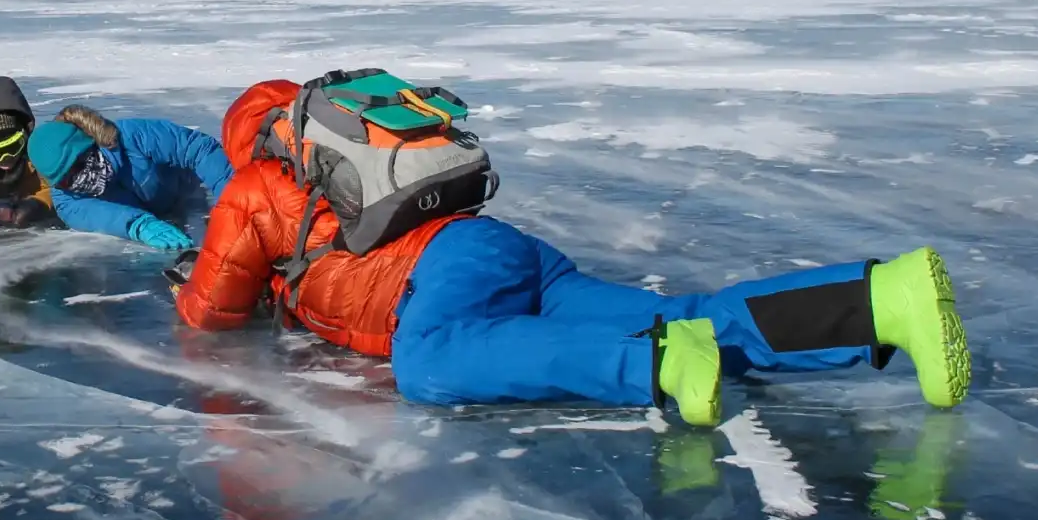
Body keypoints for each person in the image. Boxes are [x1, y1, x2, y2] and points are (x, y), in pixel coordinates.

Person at [170, 79, 972, 428]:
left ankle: (656, 363)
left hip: (439, 274)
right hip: (499, 248)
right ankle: (881, 300)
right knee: (683, 314)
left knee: (429, 362)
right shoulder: (341, 152)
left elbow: (212, 310)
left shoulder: (257, 187)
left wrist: (194, 291)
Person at [25, 105, 235, 250]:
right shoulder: (66, 201)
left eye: (78, 166)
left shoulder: (132, 136)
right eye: (66, 180)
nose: (79, 180)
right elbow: (105, 216)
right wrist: (140, 225)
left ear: (87, 146)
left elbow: (199, 150)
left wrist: (232, 201)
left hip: (191, 196)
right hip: (155, 223)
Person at [0, 76, 57, 229]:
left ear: (25, 137)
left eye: (13, 147)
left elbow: (62, 188)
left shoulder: (42, 155)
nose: (5, 160)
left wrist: (39, 203)